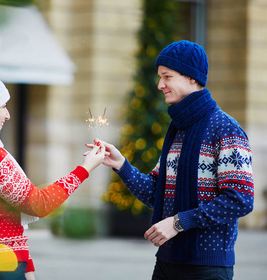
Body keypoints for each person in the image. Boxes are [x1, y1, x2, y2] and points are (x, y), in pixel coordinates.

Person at [88, 40, 254, 279]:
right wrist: (121, 164)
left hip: (207, 268)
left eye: (167, 77)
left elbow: (241, 199)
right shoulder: (178, 129)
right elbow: (156, 192)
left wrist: (178, 222)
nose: (160, 85)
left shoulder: (225, 128)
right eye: (160, 77)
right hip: (166, 263)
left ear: (191, 78)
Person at [0, 66, 105, 280]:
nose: (8, 115)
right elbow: (38, 204)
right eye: (3, 106)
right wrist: (85, 169)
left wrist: (27, 267)